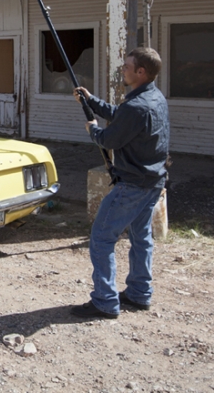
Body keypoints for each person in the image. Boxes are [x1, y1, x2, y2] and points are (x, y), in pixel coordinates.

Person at [70, 47, 170, 319]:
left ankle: (105, 301)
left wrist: (92, 128)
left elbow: (109, 139)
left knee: (101, 238)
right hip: (153, 182)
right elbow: (121, 116)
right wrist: (91, 101)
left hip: (133, 185)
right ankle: (139, 293)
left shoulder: (137, 106)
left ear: (141, 72)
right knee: (141, 237)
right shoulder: (154, 98)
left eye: (127, 66)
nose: (122, 70)